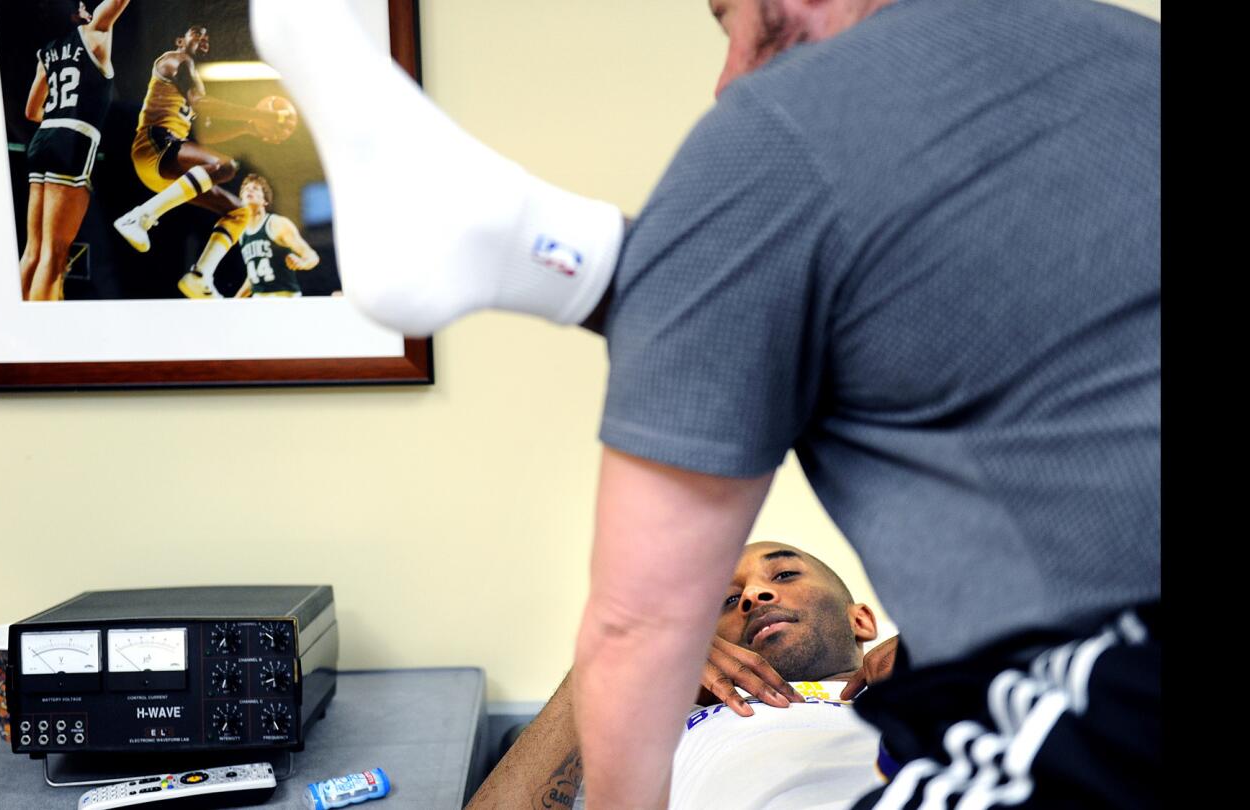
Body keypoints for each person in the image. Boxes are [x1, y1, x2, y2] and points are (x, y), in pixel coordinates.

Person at [248, 1, 1160, 806]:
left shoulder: (787, 127)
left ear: (861, 621)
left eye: (729, 20)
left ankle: (524, 238)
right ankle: (525, 239)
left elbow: (639, 619)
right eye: (725, 597)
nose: (729, 82)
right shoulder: (1126, 51)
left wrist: (680, 644)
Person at [467, 540, 896, 810]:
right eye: (727, 600)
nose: (752, 594)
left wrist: (957, 667)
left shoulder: (934, 682)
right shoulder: (657, 744)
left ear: (861, 621)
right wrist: (611, 666)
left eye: (783, 574)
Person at [111, 24, 295, 300]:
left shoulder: (193, 79)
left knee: (240, 212)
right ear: (179, 39)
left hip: (167, 160)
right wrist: (260, 115)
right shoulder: (176, 60)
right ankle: (138, 218)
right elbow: (202, 105)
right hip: (155, 143)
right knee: (227, 166)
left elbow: (204, 129)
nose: (202, 38)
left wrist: (248, 126)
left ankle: (199, 276)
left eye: (206, 36)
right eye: (196, 32)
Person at [18, 0, 132, 301]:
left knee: (33, 250)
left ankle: (19, 319)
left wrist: (60, 118)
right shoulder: (94, 33)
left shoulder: (47, 52)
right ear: (77, 13)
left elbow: (31, 111)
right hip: (73, 139)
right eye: (84, 5)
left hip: (42, 139)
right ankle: (42, 333)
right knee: (54, 256)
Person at [177, 174, 319, 299]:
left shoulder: (277, 224)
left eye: (255, 189)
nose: (249, 190)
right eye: (245, 189)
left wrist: (302, 262)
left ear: (265, 201)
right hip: (258, 300)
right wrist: (236, 301)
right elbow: (253, 277)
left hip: (284, 298)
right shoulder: (242, 232)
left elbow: (312, 256)